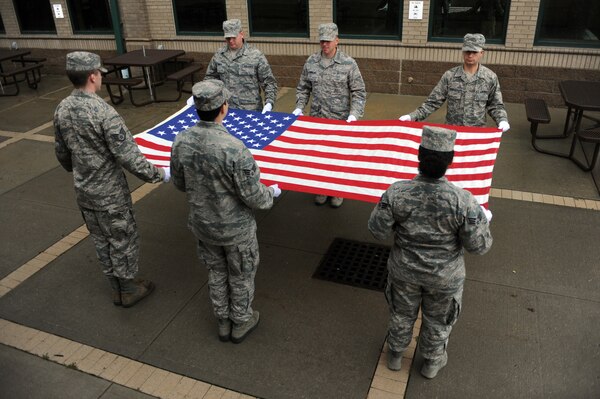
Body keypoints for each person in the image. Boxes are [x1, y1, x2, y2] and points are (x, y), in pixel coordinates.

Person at [368, 126, 493, 379]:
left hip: (405, 271)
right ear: (450, 161)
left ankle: (394, 355)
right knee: (438, 320)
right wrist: (482, 222)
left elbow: (377, 230)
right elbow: (479, 247)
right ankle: (431, 363)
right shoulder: (464, 201)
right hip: (444, 277)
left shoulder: (397, 192)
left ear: (419, 156)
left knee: (402, 314)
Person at [54, 51, 169, 308]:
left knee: (101, 240)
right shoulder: (103, 112)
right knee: (122, 238)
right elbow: (128, 156)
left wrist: (82, 170)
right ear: (93, 76)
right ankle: (128, 288)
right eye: (100, 74)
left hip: (84, 191)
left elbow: (62, 153)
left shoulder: (62, 108)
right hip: (110, 195)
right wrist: (158, 174)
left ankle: (116, 287)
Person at [170, 80, 281, 344]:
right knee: (240, 274)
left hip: (203, 225)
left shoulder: (181, 140)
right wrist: (271, 194)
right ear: (224, 107)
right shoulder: (234, 148)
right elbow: (253, 195)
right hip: (235, 229)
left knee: (216, 272)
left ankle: (222, 320)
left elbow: (179, 183)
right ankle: (241, 321)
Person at [293, 22, 367, 208]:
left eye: (328, 41)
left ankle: (337, 190)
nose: (324, 45)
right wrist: (299, 107)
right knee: (319, 156)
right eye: (321, 41)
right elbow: (303, 88)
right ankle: (321, 188)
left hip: (339, 119)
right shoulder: (311, 62)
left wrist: (354, 115)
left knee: (338, 157)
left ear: (337, 40)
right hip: (317, 119)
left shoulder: (349, 63)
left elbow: (359, 92)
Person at [399, 33, 510, 133]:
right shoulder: (450, 76)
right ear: (463, 51)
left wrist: (502, 120)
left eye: (474, 52)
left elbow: (495, 105)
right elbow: (432, 103)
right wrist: (412, 116)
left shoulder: (490, 77)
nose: (470, 55)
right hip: (451, 133)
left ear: (481, 53)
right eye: (467, 51)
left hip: (475, 135)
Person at [205, 19, 277, 114]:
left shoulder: (255, 55)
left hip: (250, 110)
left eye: (234, 37)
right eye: (228, 38)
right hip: (225, 109)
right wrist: (203, 93)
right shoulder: (219, 55)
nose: (231, 41)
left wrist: (269, 102)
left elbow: (269, 82)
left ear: (241, 34)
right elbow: (210, 78)